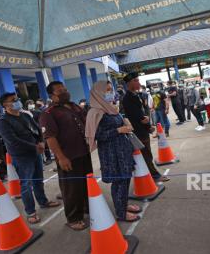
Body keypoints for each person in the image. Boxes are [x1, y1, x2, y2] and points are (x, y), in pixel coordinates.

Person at [0, 92, 60, 224]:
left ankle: (43, 201)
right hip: (21, 156)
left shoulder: (25, 115)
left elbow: (37, 130)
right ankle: (30, 211)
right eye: (13, 100)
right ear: (5, 105)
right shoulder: (3, 122)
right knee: (26, 184)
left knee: (38, 180)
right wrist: (34, 146)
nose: (17, 101)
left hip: (36, 152)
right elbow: (12, 140)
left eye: (17, 99)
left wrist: (41, 142)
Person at [40, 81, 93, 230]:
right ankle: (73, 217)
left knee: (86, 183)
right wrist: (61, 157)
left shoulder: (74, 106)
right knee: (71, 188)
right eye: (60, 91)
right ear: (52, 96)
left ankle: (88, 207)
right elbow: (50, 137)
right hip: (68, 156)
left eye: (65, 89)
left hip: (83, 152)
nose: (65, 92)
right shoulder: (48, 113)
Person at [85, 81, 141, 222]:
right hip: (112, 153)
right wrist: (118, 130)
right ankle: (120, 212)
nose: (111, 93)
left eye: (111, 90)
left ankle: (124, 204)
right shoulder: (95, 112)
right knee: (119, 182)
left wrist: (125, 123)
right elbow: (97, 136)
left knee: (125, 180)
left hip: (123, 149)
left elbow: (118, 121)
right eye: (107, 90)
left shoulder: (110, 108)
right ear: (98, 93)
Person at [122, 72, 169, 182]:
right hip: (138, 132)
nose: (138, 82)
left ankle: (150, 174)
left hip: (143, 130)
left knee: (146, 154)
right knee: (146, 155)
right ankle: (155, 176)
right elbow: (138, 117)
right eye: (136, 80)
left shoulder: (136, 95)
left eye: (138, 80)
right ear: (129, 83)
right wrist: (147, 124)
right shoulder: (128, 98)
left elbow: (142, 112)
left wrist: (148, 125)